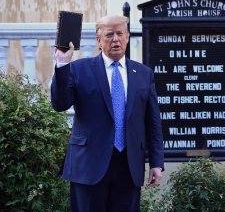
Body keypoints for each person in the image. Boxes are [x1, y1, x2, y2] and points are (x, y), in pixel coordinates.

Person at [51, 15, 164, 212]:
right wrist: (62, 64)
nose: (115, 39)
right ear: (98, 40)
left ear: (127, 37)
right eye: (109, 34)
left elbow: (152, 122)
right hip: (89, 165)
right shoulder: (79, 69)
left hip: (128, 167)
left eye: (120, 34)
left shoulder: (144, 74)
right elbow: (60, 104)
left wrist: (156, 162)